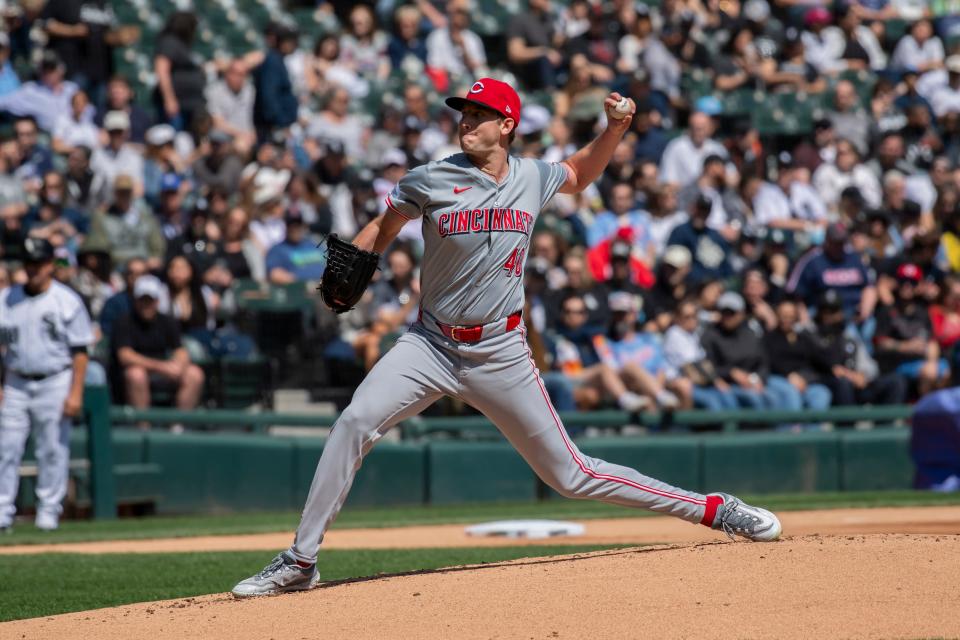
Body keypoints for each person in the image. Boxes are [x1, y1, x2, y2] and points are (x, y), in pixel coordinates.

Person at [232, 77, 780, 597]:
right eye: (463, 114)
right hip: (430, 344)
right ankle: (301, 560)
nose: (466, 122)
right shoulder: (429, 179)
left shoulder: (532, 176)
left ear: (508, 124)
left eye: (479, 115)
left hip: (500, 350)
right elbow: (385, 226)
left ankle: (713, 509)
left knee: (571, 475)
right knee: (353, 421)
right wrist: (355, 261)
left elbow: (580, 174)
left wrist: (614, 130)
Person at [0, 238, 93, 532]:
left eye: (39, 263)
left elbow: (80, 351)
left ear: (51, 264)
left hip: (55, 378)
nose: (34, 269)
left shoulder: (66, 300)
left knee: (51, 448)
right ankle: (2, 511)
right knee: (6, 447)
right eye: (29, 263)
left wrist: (76, 391)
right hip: (15, 379)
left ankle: (48, 512)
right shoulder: (6, 298)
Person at [110, 274, 205, 411]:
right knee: (136, 374)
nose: (147, 305)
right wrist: (162, 367)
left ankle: (179, 426)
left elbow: (179, 350)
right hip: (136, 374)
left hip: (163, 371)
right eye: (143, 300)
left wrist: (178, 365)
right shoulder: (124, 322)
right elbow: (125, 356)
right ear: (135, 300)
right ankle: (143, 427)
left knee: (194, 374)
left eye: (151, 300)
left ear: (158, 301)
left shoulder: (167, 321)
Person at [265, 212, 326, 284]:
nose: (295, 228)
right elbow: (275, 275)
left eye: (298, 225)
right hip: (299, 291)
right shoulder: (277, 250)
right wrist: (303, 284)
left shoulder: (313, 244)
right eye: (292, 225)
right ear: (286, 227)